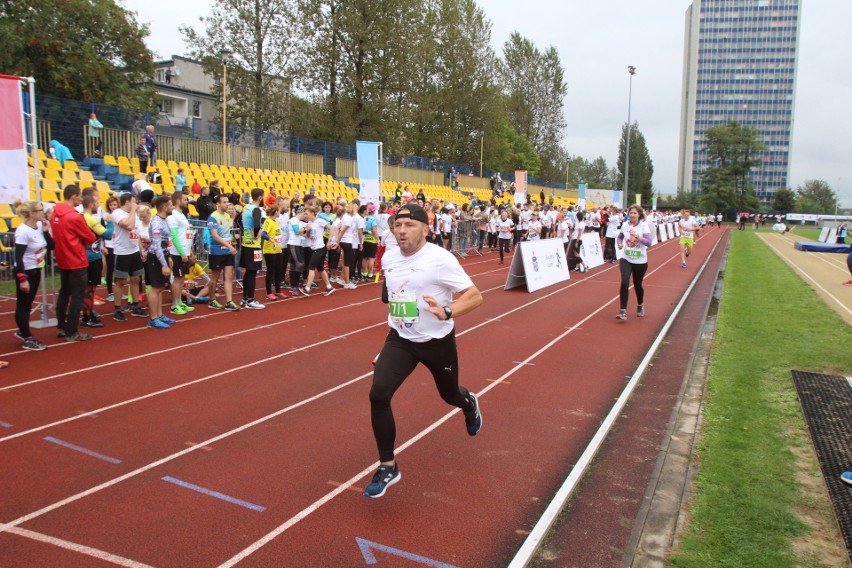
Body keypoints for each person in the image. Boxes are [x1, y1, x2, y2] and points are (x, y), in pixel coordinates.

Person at [364, 203, 483, 498]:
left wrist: (447, 310)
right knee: (378, 394)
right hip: (400, 340)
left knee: (449, 395)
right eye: (397, 226)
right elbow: (392, 296)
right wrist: (388, 341)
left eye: (409, 226)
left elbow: (475, 296)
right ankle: (388, 466)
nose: (402, 231)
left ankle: (468, 404)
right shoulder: (389, 257)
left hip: (437, 343)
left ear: (426, 230)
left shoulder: (440, 259)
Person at [50, 184, 96, 341]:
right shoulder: (74, 216)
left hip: (62, 258)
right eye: (80, 196)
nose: (81, 199)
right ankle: (72, 331)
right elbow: (90, 237)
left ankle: (61, 327)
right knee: (77, 296)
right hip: (76, 259)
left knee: (64, 293)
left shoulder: (55, 214)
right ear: (74, 196)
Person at [14, 200, 52, 351]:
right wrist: (22, 278)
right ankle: (27, 338)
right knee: (23, 305)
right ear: (32, 213)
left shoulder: (38, 227)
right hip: (26, 271)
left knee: (28, 304)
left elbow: (51, 246)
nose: (44, 212)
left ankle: (23, 330)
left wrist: (46, 231)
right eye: (40, 210)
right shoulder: (22, 231)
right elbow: (18, 258)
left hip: (36, 270)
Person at [110, 193, 147, 321]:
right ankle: (117, 308)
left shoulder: (134, 215)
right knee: (120, 281)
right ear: (127, 202)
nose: (136, 203)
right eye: (134, 201)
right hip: (122, 252)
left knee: (136, 279)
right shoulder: (117, 213)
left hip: (134, 251)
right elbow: (128, 226)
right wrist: (132, 210)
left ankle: (135, 305)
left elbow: (135, 232)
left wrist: (141, 249)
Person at [615, 205, 653, 321]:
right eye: (630, 213)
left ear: (639, 215)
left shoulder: (644, 226)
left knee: (637, 285)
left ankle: (640, 304)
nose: (632, 215)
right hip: (626, 259)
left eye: (634, 213)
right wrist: (620, 243)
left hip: (640, 261)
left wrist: (637, 236)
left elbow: (649, 243)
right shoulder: (625, 225)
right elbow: (620, 237)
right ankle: (623, 311)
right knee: (625, 282)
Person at [145, 196, 177, 329]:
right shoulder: (157, 222)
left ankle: (159, 315)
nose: (172, 207)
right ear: (164, 207)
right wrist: (163, 264)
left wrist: (168, 256)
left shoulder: (164, 220)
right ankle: (153, 318)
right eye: (170, 205)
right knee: (155, 288)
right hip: (155, 258)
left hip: (162, 256)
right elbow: (157, 245)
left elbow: (165, 243)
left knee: (160, 288)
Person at [81, 194, 110, 329]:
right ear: (91, 205)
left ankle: (88, 313)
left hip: (88, 255)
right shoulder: (89, 219)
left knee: (89, 288)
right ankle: (86, 317)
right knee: (90, 288)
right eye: (97, 203)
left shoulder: (82, 216)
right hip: (92, 256)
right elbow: (108, 234)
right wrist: (110, 222)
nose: (98, 206)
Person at [207, 194, 240, 311]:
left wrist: (231, 243)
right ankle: (212, 299)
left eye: (228, 202)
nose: (227, 204)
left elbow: (228, 233)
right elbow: (215, 236)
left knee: (228, 276)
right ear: (218, 204)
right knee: (215, 277)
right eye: (224, 202)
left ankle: (229, 301)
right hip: (216, 251)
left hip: (227, 251)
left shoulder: (228, 216)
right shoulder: (213, 217)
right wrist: (229, 246)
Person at [167, 192, 196, 315]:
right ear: (178, 201)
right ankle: (175, 304)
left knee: (181, 278)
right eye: (185, 199)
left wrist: (189, 251)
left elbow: (184, 234)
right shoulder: (173, 215)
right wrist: (182, 253)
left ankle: (179, 302)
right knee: (177, 279)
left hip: (184, 251)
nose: (187, 201)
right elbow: (174, 236)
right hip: (177, 252)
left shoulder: (181, 214)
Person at [238, 188, 266, 310]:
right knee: (252, 272)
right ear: (260, 197)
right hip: (254, 245)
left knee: (248, 272)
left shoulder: (246, 207)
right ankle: (251, 299)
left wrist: (244, 231)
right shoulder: (256, 209)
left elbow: (238, 220)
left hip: (245, 243)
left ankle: (244, 298)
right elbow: (256, 225)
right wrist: (256, 233)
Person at [300, 205, 335, 297]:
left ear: (312, 213)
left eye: (307, 214)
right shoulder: (309, 224)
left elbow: (332, 228)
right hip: (313, 248)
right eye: (304, 214)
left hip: (320, 248)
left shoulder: (320, 221)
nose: (305, 216)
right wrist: (308, 231)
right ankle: (329, 286)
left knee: (311, 267)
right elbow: (308, 236)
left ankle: (307, 288)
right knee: (320, 268)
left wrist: (329, 241)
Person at [260, 205, 286, 299]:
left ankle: (278, 291)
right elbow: (263, 234)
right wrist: (272, 241)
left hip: (278, 249)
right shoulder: (268, 221)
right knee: (271, 271)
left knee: (279, 270)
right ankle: (269, 292)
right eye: (279, 211)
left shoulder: (276, 222)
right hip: (270, 250)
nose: (280, 213)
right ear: (275, 212)